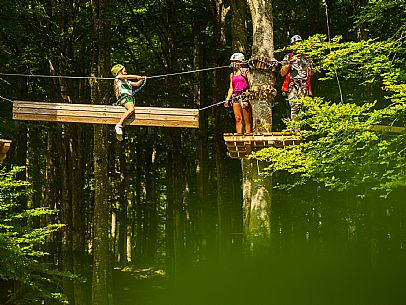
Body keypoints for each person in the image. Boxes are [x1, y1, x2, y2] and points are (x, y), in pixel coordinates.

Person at [280, 35, 313, 121]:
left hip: (304, 84)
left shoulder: (307, 57)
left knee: (302, 107)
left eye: (299, 44)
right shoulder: (288, 57)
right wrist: (289, 63)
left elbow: (311, 73)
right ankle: (295, 129)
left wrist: (310, 67)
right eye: (295, 44)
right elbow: (282, 73)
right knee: (294, 106)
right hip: (293, 84)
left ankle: (300, 130)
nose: (297, 46)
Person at [111, 64, 146, 141]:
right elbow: (126, 76)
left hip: (129, 98)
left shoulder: (127, 81)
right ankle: (119, 125)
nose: (126, 72)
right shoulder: (118, 77)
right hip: (124, 97)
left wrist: (141, 79)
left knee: (131, 110)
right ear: (119, 71)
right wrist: (137, 77)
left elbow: (137, 84)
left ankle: (120, 126)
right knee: (131, 109)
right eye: (124, 70)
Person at [224, 52, 252, 134]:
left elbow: (250, 83)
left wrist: (245, 77)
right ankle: (239, 134)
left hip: (244, 95)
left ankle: (248, 135)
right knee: (237, 118)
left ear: (240, 62)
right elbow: (231, 88)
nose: (233, 63)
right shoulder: (232, 74)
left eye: (235, 61)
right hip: (235, 96)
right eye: (232, 61)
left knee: (247, 118)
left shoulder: (246, 71)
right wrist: (227, 99)